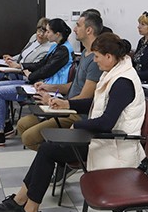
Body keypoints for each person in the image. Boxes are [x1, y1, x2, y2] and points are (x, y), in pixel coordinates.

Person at [0, 33, 146, 212]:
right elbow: (97, 103)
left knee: (48, 150)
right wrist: (67, 103)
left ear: (109, 57)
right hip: (102, 140)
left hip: (115, 146)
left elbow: (106, 122)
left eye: (97, 56)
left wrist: (78, 125)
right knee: (48, 148)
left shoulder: (123, 81)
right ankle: (22, 200)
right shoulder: (115, 72)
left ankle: (29, 210)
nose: (95, 61)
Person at [0, 18, 73, 147]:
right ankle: (6, 126)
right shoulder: (56, 47)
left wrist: (30, 76)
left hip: (49, 89)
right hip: (40, 83)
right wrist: (21, 67)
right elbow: (41, 64)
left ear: (57, 34)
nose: (46, 34)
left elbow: (46, 71)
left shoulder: (63, 51)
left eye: (48, 31)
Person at [16, 10, 104, 151]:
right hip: (67, 105)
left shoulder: (95, 60)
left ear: (89, 30)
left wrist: (61, 104)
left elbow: (85, 97)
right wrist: (49, 88)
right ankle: (55, 155)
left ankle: (60, 157)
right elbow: (73, 85)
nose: (74, 29)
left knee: (29, 138)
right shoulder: (84, 53)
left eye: (78, 25)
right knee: (22, 124)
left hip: (76, 114)